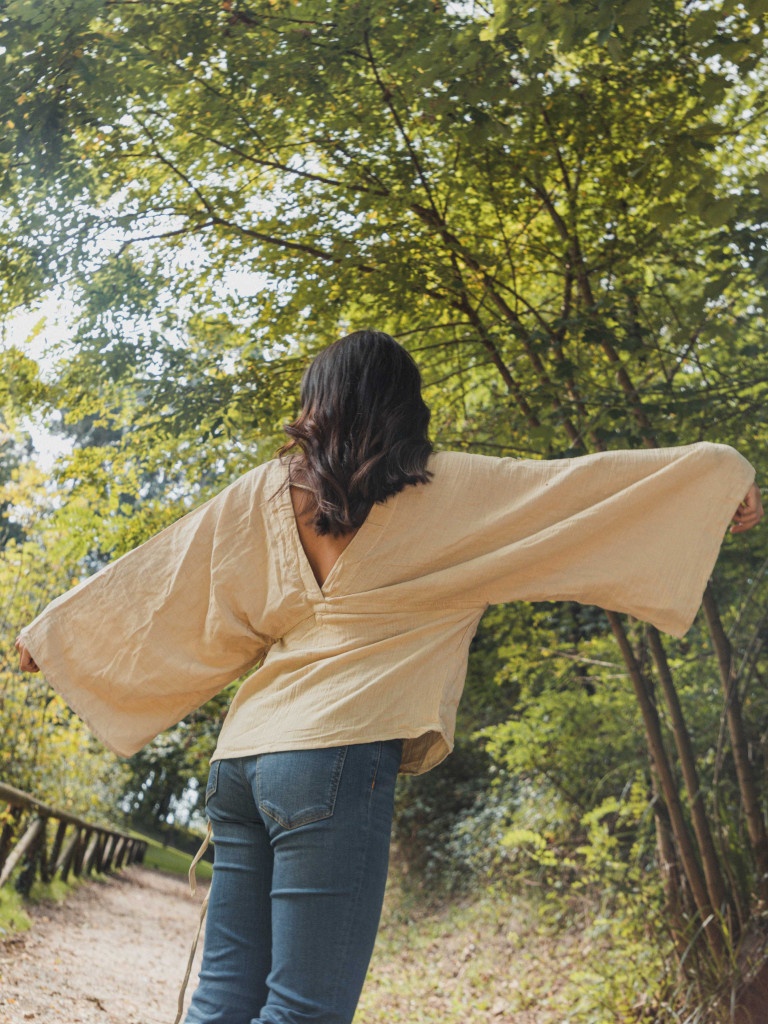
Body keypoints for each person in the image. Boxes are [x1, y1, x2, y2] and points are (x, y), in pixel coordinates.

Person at [15, 330, 763, 1024]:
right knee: (302, 1010)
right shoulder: (454, 492)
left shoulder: (266, 494)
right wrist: (721, 475)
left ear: (318, 404)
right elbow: (583, 494)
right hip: (335, 759)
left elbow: (163, 577)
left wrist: (57, 637)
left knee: (223, 1000)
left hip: (243, 764)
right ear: (409, 407)